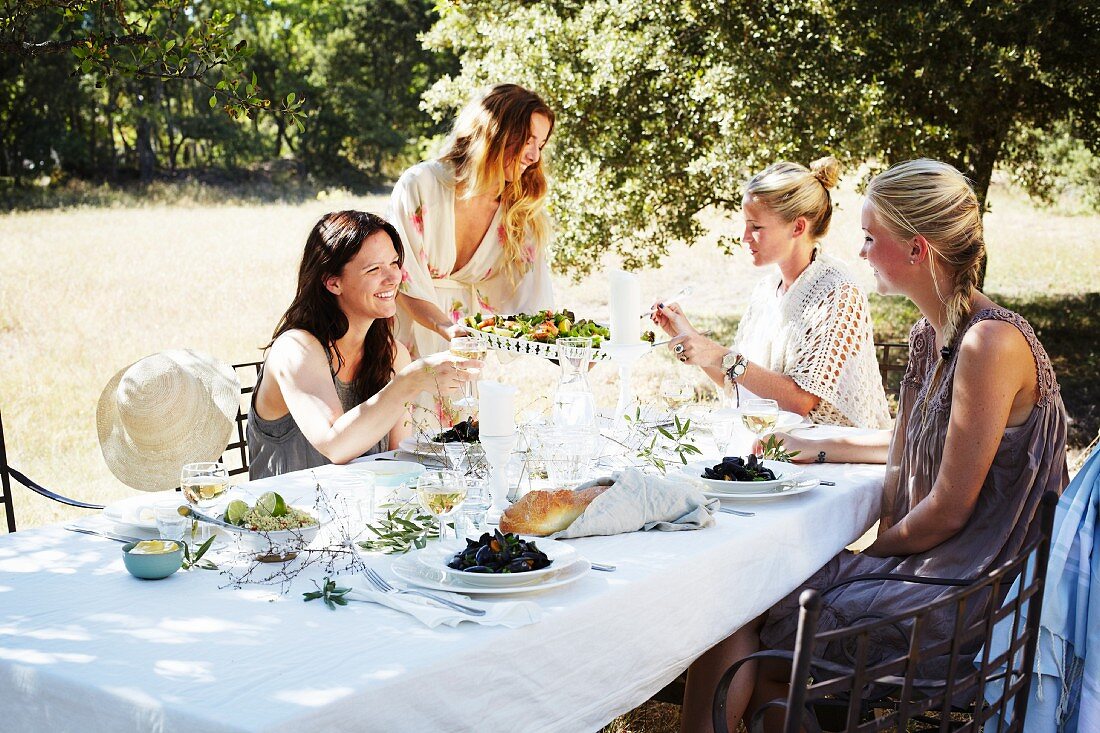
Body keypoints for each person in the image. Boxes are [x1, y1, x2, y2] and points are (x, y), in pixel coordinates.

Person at [679, 159, 1069, 733]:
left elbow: (948, 509)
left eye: (870, 237)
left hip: (969, 591)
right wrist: (820, 446)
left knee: (752, 597)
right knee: (754, 596)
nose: (859, 253)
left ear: (917, 250)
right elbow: (919, 443)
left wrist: (866, 560)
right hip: (937, 566)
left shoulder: (990, 344)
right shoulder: (930, 334)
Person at [651, 157, 891, 428]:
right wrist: (688, 336)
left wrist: (718, 354)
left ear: (798, 227)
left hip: (826, 460)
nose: (744, 237)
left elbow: (799, 400)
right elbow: (737, 379)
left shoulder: (837, 291)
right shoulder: (766, 289)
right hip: (768, 451)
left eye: (756, 227)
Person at [246, 211, 482, 480]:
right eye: (374, 269)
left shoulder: (392, 355)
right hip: (285, 516)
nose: (393, 278)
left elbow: (399, 462)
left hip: (362, 517)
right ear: (333, 282)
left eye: (394, 263)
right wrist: (410, 382)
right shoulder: (295, 349)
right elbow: (334, 445)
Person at [389, 83, 556, 361]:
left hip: (463, 350)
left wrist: (568, 352)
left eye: (540, 144)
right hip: (401, 343)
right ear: (494, 131)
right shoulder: (421, 185)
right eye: (527, 139)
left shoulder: (518, 213)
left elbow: (533, 299)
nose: (534, 155)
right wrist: (447, 328)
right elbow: (400, 276)